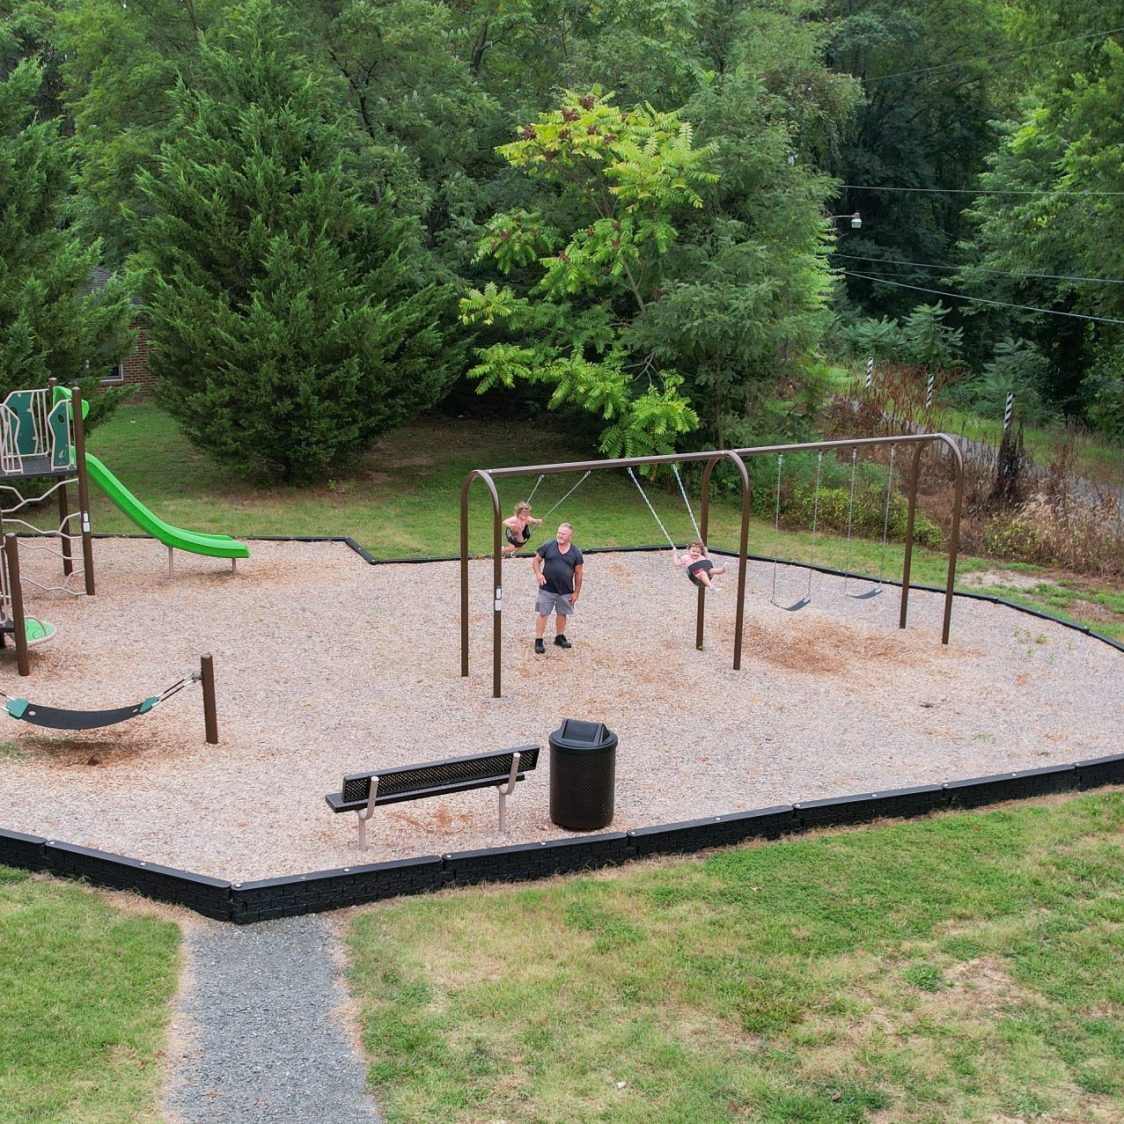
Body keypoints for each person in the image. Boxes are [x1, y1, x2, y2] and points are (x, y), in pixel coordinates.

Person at [532, 522, 583, 653]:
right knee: (543, 613)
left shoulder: (576, 552)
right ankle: (538, 640)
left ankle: (559, 637)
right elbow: (536, 560)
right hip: (547, 588)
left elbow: (578, 573)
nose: (559, 535)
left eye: (563, 533)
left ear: (570, 536)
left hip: (566, 590)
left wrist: (576, 592)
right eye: (558, 532)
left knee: (562, 613)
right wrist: (538, 574)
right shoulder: (548, 546)